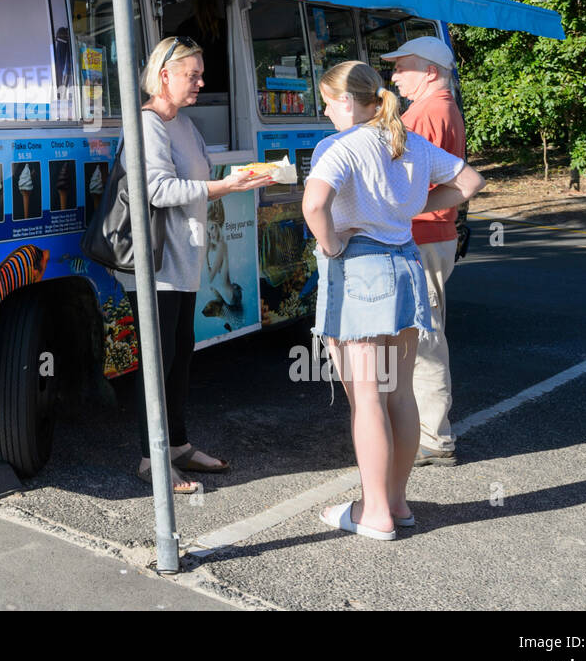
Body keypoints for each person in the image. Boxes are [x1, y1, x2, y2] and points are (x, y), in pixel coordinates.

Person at [302, 61, 484, 538]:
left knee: (365, 400)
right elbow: (470, 183)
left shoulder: (339, 145)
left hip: (359, 274)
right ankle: (397, 503)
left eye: (327, 100)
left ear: (346, 101)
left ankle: (375, 513)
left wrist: (331, 244)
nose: (324, 111)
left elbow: (314, 204)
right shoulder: (405, 139)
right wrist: (407, 207)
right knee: (399, 395)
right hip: (406, 267)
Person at [119, 36, 272, 493]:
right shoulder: (147, 126)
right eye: (193, 75)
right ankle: (152, 460)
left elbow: (199, 177)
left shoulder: (183, 123)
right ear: (163, 76)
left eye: (201, 74)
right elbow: (157, 191)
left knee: (180, 358)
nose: (202, 83)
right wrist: (223, 188)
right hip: (153, 264)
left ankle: (179, 446)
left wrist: (237, 182)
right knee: (158, 362)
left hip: (182, 262)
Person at [382, 36, 468, 467]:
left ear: (430, 71)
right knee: (419, 332)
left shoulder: (425, 113)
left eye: (403, 66)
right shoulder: (442, 108)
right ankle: (425, 432)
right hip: (436, 235)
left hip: (422, 236)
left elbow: (401, 180)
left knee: (425, 336)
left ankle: (434, 437)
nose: (394, 75)